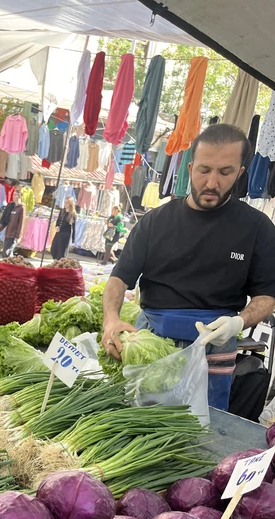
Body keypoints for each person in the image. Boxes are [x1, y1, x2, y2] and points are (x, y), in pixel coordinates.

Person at [101, 123, 275, 411]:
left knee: (199, 433)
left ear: (240, 174)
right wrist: (110, 319)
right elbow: (119, 279)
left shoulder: (258, 228)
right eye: (204, 170)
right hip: (151, 344)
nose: (212, 183)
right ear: (190, 167)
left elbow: (267, 296)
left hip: (215, 348)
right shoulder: (155, 222)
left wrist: (239, 322)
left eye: (225, 172)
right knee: (138, 425)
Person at [0, 189, 26, 256]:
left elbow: (21, 223)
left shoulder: (21, 208)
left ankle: (9, 265)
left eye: (16, 195)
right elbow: (5, 220)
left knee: (8, 252)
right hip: (8, 233)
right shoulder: (11, 206)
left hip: (14, 234)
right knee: (5, 252)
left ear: (20, 196)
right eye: (13, 194)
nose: (13, 196)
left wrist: (19, 236)